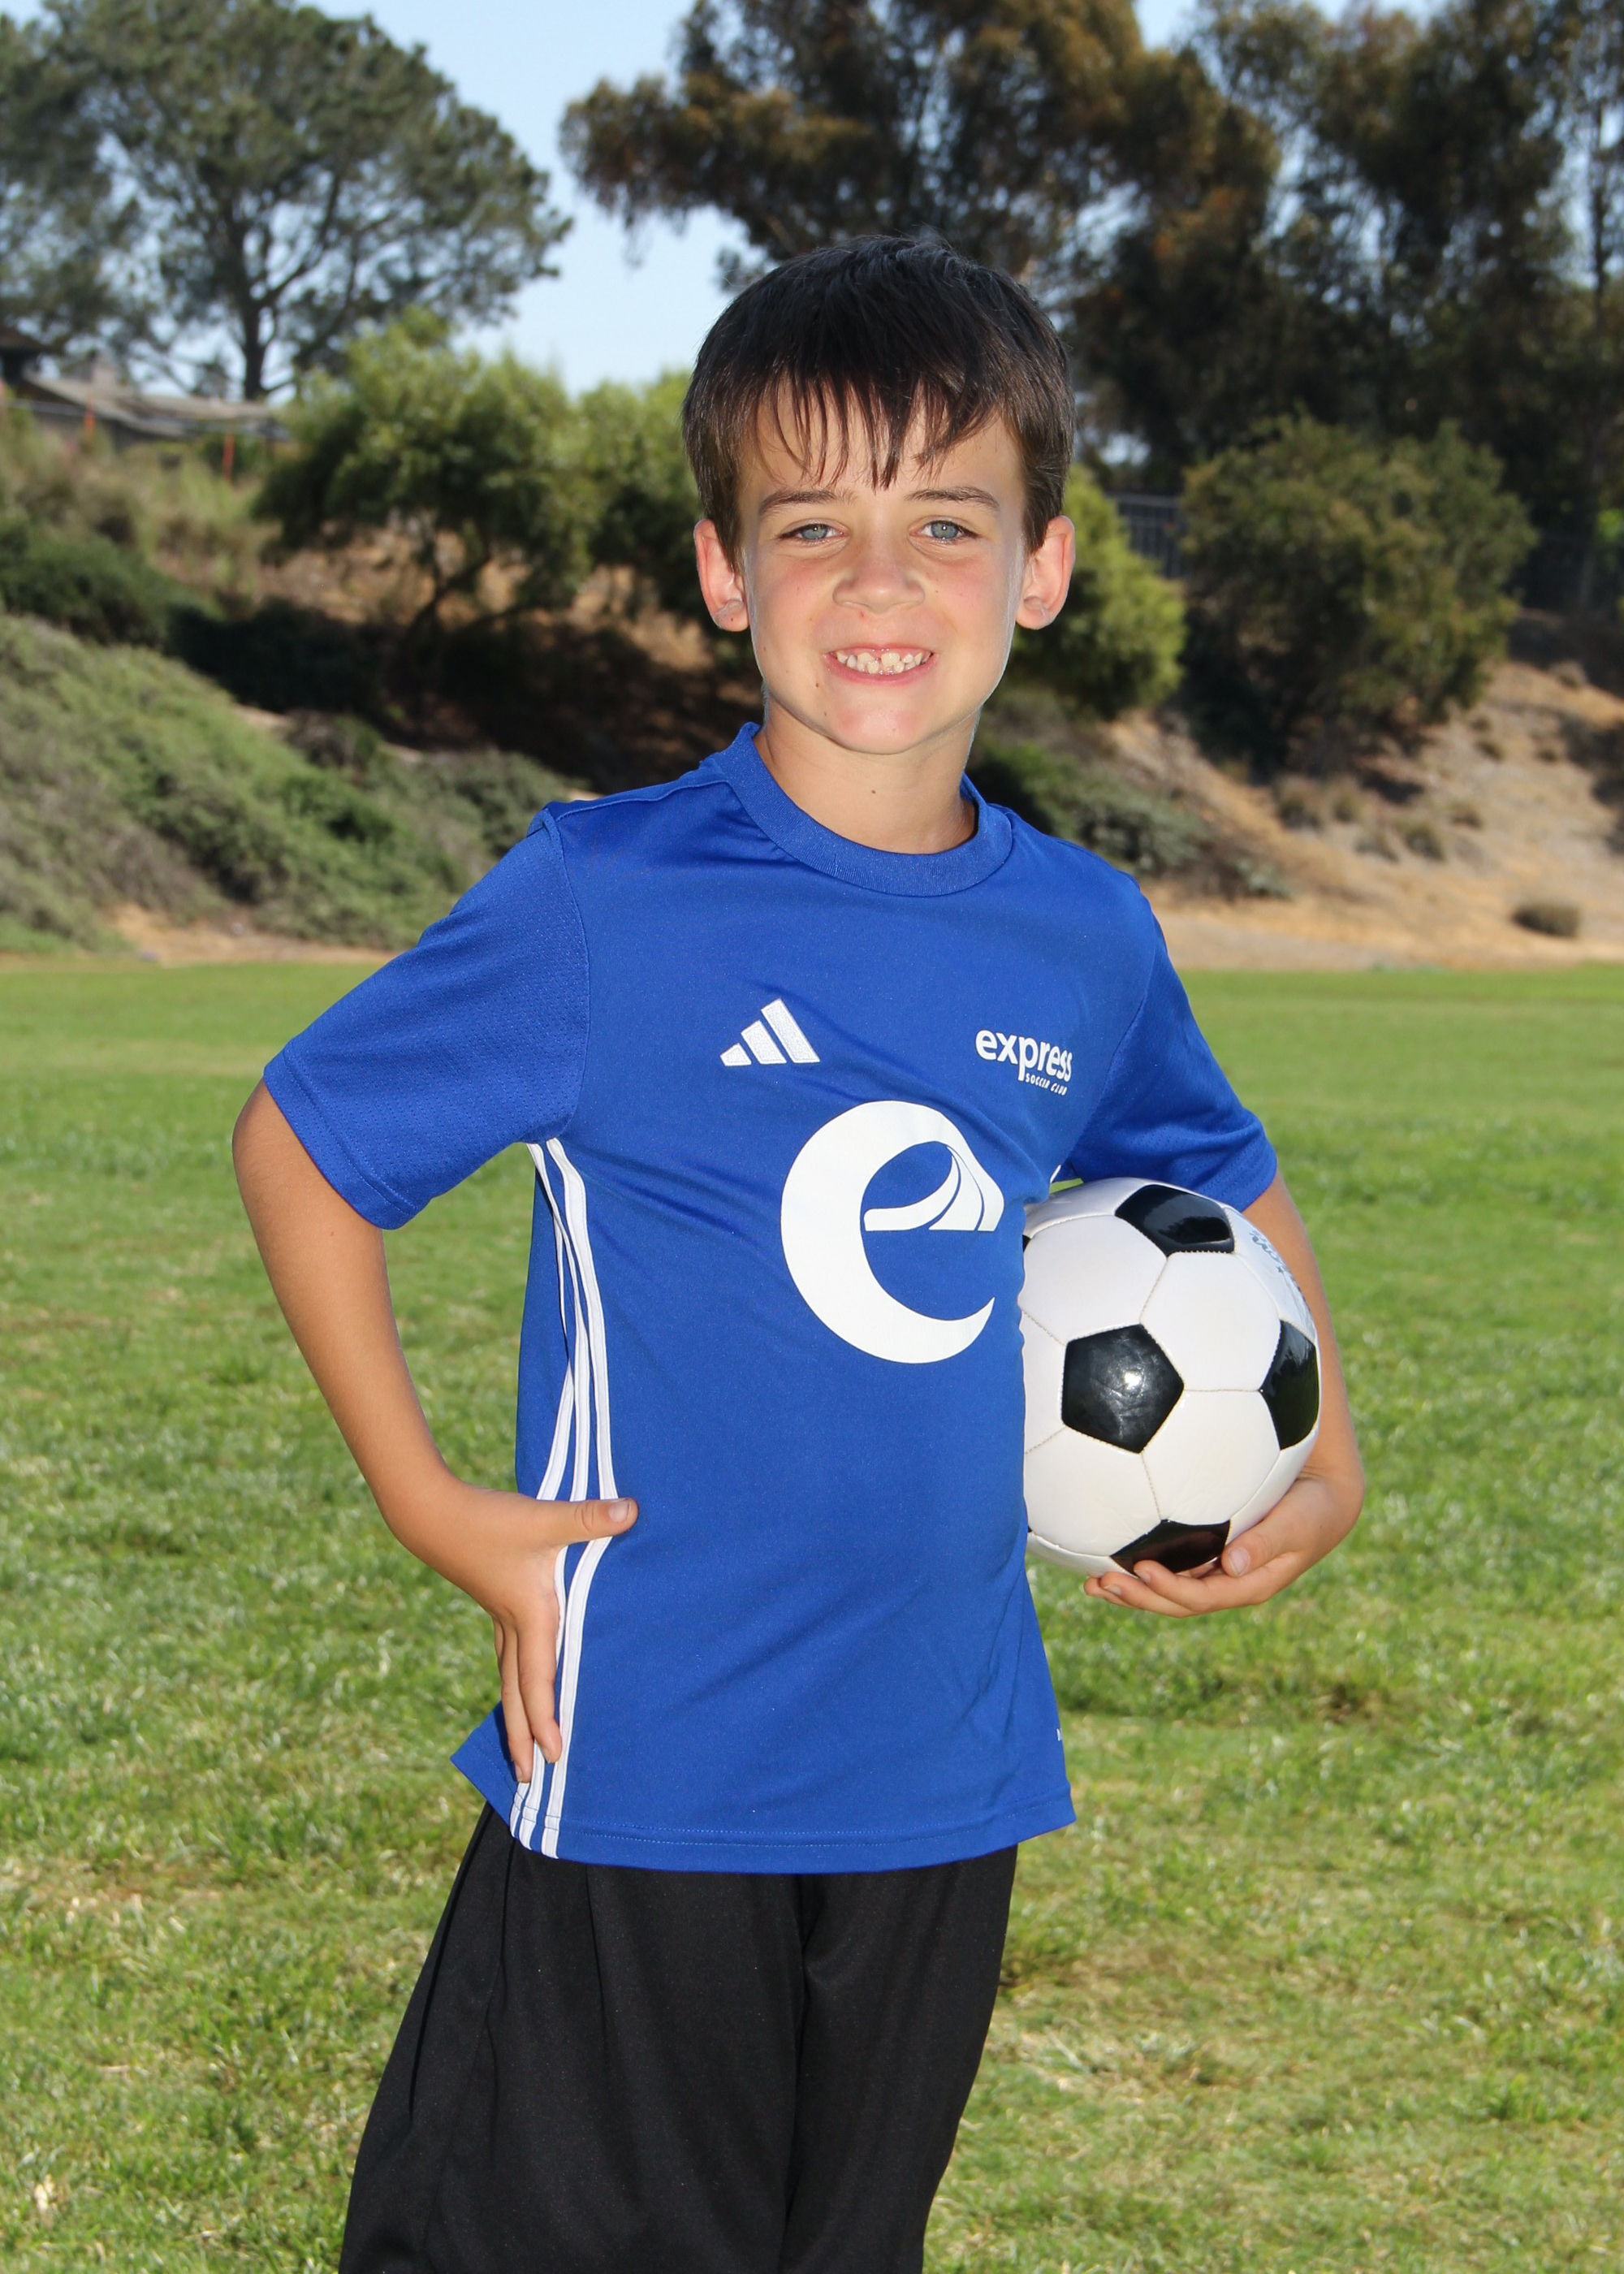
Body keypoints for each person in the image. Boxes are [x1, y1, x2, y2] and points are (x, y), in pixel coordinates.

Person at [233, 237, 1363, 2274]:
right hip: (653, 1759)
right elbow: (305, 1146)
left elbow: (1209, 1160)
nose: (878, 580)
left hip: (944, 1771)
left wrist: (1326, 1456)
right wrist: (432, 1503)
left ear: (1040, 569)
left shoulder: (1080, 934)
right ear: (722, 572)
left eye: (947, 524)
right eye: (812, 525)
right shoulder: (608, 896)